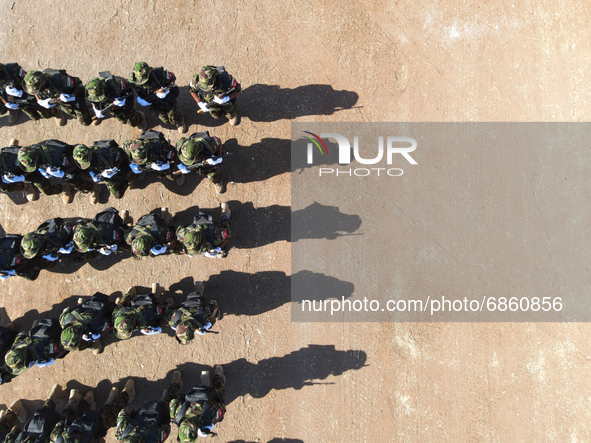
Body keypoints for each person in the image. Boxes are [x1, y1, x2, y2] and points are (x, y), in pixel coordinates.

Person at [50, 380, 135, 443]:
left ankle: (127, 392)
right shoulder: (56, 438)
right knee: (75, 415)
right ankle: (90, 399)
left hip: (96, 425)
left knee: (112, 416)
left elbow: (101, 441)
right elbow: (60, 424)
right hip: (79, 419)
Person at [17, 140, 100, 204]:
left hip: (72, 162)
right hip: (57, 165)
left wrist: (63, 173)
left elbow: (75, 164)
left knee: (74, 178)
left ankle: (93, 188)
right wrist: (43, 170)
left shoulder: (55, 157)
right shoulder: (33, 150)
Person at [115, 371, 182, 443]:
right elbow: (122, 414)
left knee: (171, 409)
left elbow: (167, 429)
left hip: (159, 415)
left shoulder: (155, 439)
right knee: (119, 409)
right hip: (141, 411)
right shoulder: (121, 433)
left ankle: (174, 386)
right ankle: (127, 393)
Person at [170, 366, 226, 440]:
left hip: (207, 397)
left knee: (220, 396)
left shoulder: (208, 419)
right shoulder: (177, 416)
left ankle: (218, 377)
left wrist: (212, 421)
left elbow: (222, 408)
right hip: (191, 396)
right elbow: (172, 402)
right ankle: (175, 382)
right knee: (171, 399)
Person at [129, 62, 186, 134]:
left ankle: (179, 121)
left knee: (173, 118)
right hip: (154, 102)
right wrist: (138, 98)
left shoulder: (159, 74)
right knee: (165, 120)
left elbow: (173, 79)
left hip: (166, 100)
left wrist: (167, 89)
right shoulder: (133, 79)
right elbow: (132, 87)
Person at [23, 69, 91, 126]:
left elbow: (78, 84)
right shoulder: (36, 83)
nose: (34, 91)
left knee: (84, 121)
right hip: (59, 102)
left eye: (36, 89)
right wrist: (39, 100)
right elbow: (35, 92)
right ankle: (58, 113)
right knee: (67, 111)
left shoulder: (61, 80)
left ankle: (90, 113)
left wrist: (73, 95)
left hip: (72, 98)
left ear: (43, 84)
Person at [167, 280, 219, 345]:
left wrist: (208, 324)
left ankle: (199, 288)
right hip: (185, 304)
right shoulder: (173, 320)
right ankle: (198, 287)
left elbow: (214, 306)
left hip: (199, 304)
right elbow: (169, 312)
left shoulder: (203, 320)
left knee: (211, 314)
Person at [19, 217, 84, 266]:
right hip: (58, 246)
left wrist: (71, 244)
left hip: (72, 238)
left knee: (77, 256)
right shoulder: (38, 234)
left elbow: (75, 229)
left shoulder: (57, 234)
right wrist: (57, 253)